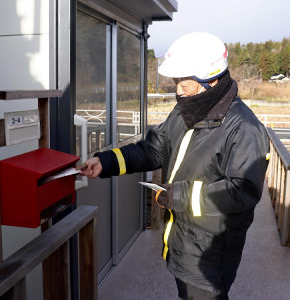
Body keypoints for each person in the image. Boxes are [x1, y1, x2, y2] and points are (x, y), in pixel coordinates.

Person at [80, 32, 269, 300]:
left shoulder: (245, 129)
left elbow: (243, 191)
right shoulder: (186, 111)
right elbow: (154, 148)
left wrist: (179, 196)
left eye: (186, 85)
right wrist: (107, 162)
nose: (178, 92)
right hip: (182, 241)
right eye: (177, 83)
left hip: (209, 258)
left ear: (212, 80)